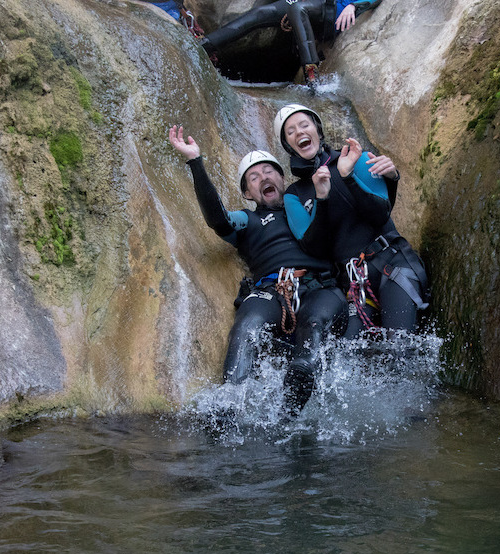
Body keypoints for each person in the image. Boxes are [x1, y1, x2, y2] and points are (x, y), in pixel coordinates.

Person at [169, 125, 347, 417]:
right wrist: (196, 162)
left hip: (320, 288)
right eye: (254, 177)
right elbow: (219, 220)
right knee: (248, 324)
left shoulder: (310, 204)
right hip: (272, 291)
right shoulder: (248, 221)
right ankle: (229, 402)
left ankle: (298, 384)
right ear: (247, 193)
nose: (263, 177)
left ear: (282, 178)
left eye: (269, 171)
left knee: (315, 320)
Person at [274, 104, 429, 338]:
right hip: (353, 282)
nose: (299, 132)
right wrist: (321, 198)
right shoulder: (294, 194)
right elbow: (315, 248)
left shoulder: (357, 159)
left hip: (392, 263)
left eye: (304, 125)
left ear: (317, 130)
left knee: (400, 347)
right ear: (288, 145)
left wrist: (348, 178)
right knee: (350, 357)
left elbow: (380, 215)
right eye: (291, 131)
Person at [200, 0, 383, 88]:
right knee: (261, 13)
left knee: (297, 8)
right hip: (307, 4)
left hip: (333, 9)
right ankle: (204, 45)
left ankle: (312, 74)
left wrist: (355, 5)